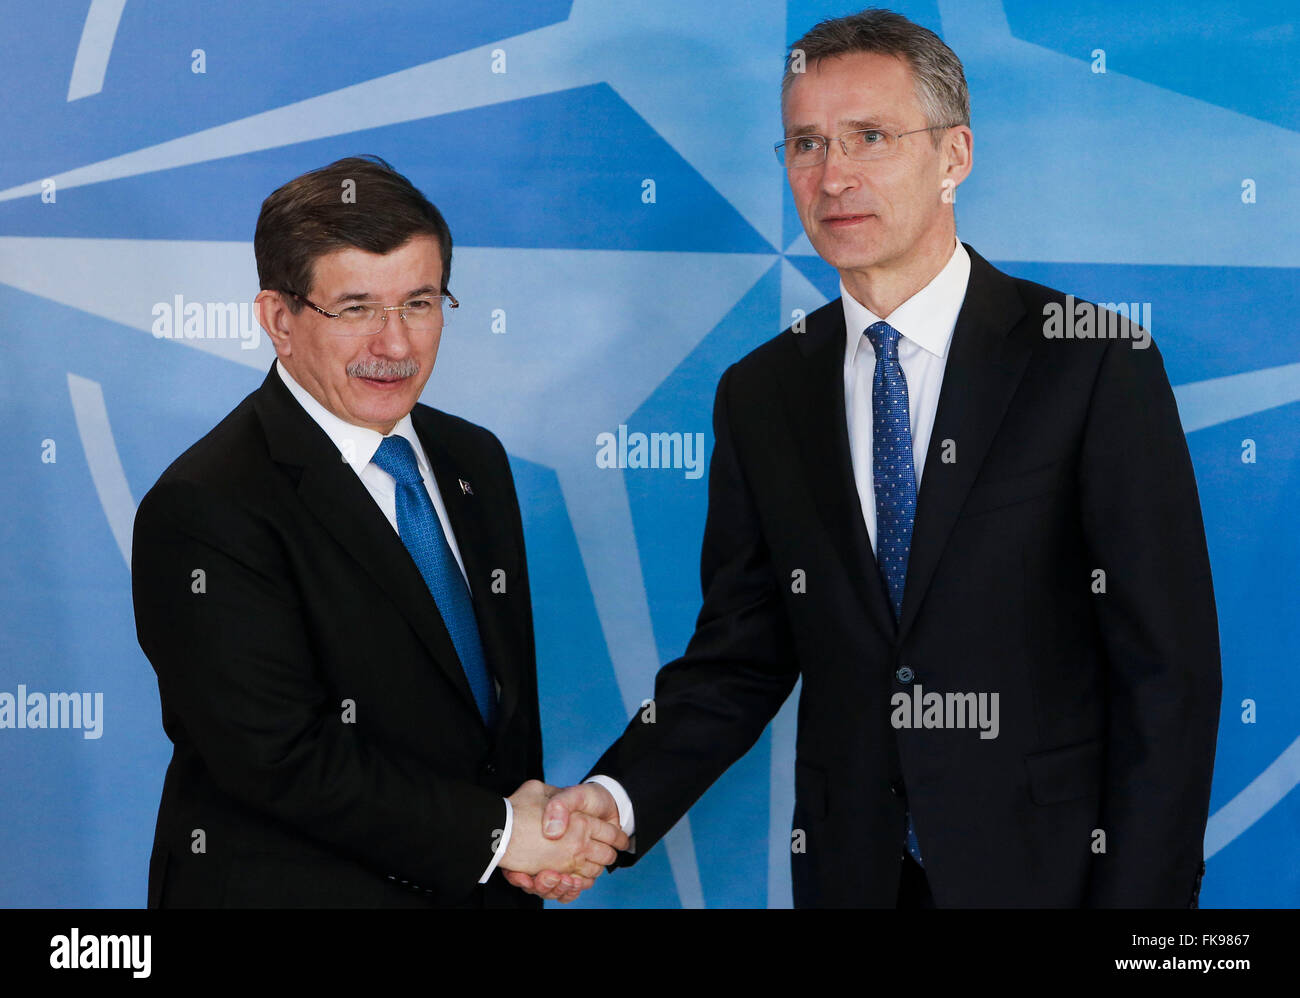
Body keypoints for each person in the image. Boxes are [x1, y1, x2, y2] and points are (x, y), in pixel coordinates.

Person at [511, 9, 1221, 907]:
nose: (833, 175)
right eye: (805, 144)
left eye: (870, 137)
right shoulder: (762, 393)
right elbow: (742, 654)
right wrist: (609, 804)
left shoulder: (1090, 363)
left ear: (954, 155)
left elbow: (1170, 679)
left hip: (1055, 878)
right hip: (854, 875)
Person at [132, 155, 625, 907]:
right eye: (356, 307)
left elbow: (493, 725)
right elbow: (280, 761)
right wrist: (499, 834)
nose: (395, 345)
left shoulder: (474, 460)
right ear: (278, 320)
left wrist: (529, 846)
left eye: (419, 303)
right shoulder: (207, 506)